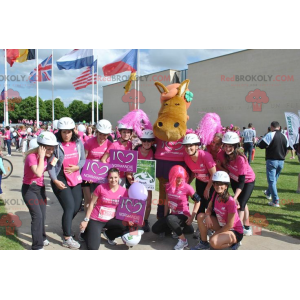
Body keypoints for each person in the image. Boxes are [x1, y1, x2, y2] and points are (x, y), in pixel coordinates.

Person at [48, 117, 86, 249]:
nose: (66, 134)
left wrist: (77, 167)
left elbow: (83, 160)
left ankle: (66, 226)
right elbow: (51, 166)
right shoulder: (55, 144)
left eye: (69, 132)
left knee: (76, 207)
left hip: (75, 178)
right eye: (64, 132)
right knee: (69, 207)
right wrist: (55, 180)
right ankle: (67, 237)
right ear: (60, 132)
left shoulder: (78, 142)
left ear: (73, 131)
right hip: (60, 178)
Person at [22, 132, 58, 250]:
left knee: (42, 215)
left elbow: (51, 167)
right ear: (41, 147)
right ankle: (37, 246)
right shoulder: (31, 157)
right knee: (37, 216)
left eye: (52, 149)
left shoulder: (47, 157)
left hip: (40, 189)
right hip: (29, 189)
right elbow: (38, 173)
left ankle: (42, 237)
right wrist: (42, 157)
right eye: (48, 149)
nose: (51, 151)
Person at [79, 168, 131, 250]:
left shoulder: (124, 191)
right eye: (111, 178)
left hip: (111, 220)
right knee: (93, 248)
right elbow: (92, 204)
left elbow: (125, 207)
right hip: (97, 219)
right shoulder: (100, 188)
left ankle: (109, 234)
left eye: (115, 177)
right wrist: (86, 220)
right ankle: (85, 233)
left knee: (127, 225)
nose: (113, 180)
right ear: (107, 178)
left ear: (119, 177)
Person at [152, 165, 201, 250]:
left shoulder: (187, 187)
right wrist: (165, 217)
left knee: (170, 219)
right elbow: (167, 202)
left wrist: (192, 217)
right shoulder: (168, 186)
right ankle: (179, 229)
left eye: (182, 177)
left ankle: (183, 240)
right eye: (177, 177)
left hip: (184, 215)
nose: (180, 180)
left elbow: (198, 201)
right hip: (173, 216)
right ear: (173, 176)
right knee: (155, 229)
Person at [191, 171, 243, 250]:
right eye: (216, 183)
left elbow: (230, 225)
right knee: (201, 216)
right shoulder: (215, 194)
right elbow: (209, 207)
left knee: (213, 242)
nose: (218, 186)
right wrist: (207, 215)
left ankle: (235, 242)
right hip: (222, 225)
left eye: (221, 184)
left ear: (226, 186)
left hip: (234, 230)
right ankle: (203, 243)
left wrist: (216, 233)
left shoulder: (230, 202)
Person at [220, 132, 255, 235]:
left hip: (247, 181)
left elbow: (242, 181)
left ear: (235, 146)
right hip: (234, 179)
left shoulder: (241, 159)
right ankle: (247, 226)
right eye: (225, 145)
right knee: (243, 202)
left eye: (230, 146)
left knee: (241, 204)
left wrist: (234, 198)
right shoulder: (224, 155)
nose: (227, 148)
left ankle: (237, 230)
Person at [127, 129, 156, 232]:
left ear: (152, 141)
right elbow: (129, 167)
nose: (146, 143)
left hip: (148, 182)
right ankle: (133, 221)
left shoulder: (154, 151)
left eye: (149, 141)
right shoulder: (136, 150)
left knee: (148, 203)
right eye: (144, 141)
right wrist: (130, 179)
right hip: (136, 182)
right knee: (135, 203)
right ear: (141, 141)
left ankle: (145, 221)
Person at [182, 133, 216, 215]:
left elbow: (214, 174)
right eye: (186, 146)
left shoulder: (205, 156)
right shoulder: (186, 158)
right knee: (200, 202)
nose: (188, 148)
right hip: (200, 181)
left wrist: (207, 188)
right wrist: (187, 184)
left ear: (197, 146)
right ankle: (200, 225)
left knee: (209, 204)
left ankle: (210, 224)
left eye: (191, 145)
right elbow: (194, 172)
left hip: (212, 183)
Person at [257, 121, 289, 207]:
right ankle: (268, 192)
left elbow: (261, 145)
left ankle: (276, 200)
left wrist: (258, 141)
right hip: (281, 161)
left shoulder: (270, 134)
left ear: (272, 127)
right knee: (274, 179)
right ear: (279, 127)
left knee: (271, 181)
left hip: (272, 160)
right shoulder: (284, 136)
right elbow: (288, 148)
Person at [83, 119, 112, 211]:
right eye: (100, 134)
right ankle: (87, 220)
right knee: (89, 200)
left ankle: (96, 220)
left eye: (105, 135)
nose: (102, 137)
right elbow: (84, 159)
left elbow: (110, 161)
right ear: (97, 132)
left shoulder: (110, 144)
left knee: (99, 200)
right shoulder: (89, 142)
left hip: (102, 175)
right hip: (88, 174)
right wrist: (88, 175)